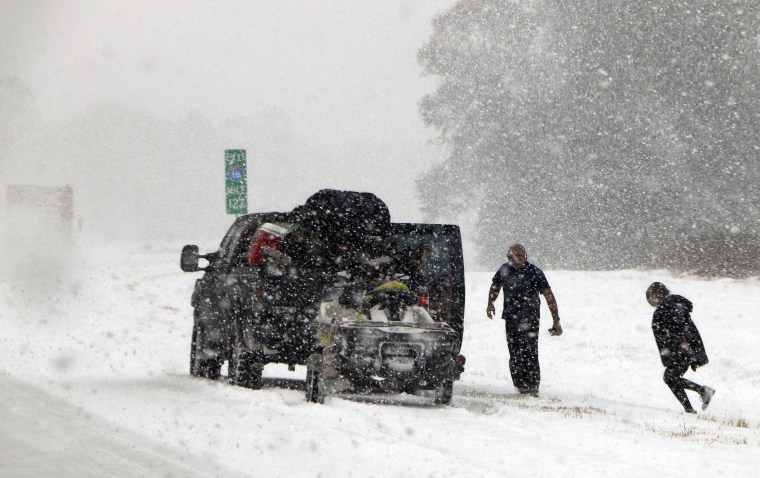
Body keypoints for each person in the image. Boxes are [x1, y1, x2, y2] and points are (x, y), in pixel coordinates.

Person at [486, 244, 562, 396]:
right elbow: (495, 286)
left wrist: (556, 320)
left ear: (524, 256)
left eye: (515, 256)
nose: (512, 260)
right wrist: (490, 303)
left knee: (530, 352)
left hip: (530, 319)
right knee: (515, 353)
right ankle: (520, 385)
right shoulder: (504, 270)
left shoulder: (534, 272)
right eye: (509, 257)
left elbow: (549, 296)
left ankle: (532, 387)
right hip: (511, 318)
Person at [646, 282, 715, 414]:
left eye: (650, 298)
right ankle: (694, 403)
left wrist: (680, 346)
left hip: (681, 350)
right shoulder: (676, 305)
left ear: (656, 295)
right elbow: (688, 330)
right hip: (685, 349)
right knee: (671, 377)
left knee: (670, 377)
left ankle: (700, 396)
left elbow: (676, 331)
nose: (650, 302)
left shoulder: (665, 309)